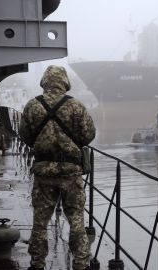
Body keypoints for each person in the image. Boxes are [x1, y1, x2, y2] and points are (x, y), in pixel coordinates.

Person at [19, 65, 96, 270]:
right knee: (76, 219)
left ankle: (37, 263)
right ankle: (80, 263)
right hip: (71, 172)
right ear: (64, 82)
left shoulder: (32, 106)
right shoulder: (76, 106)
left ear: (45, 81)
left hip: (43, 172)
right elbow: (88, 135)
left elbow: (25, 135)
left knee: (40, 221)